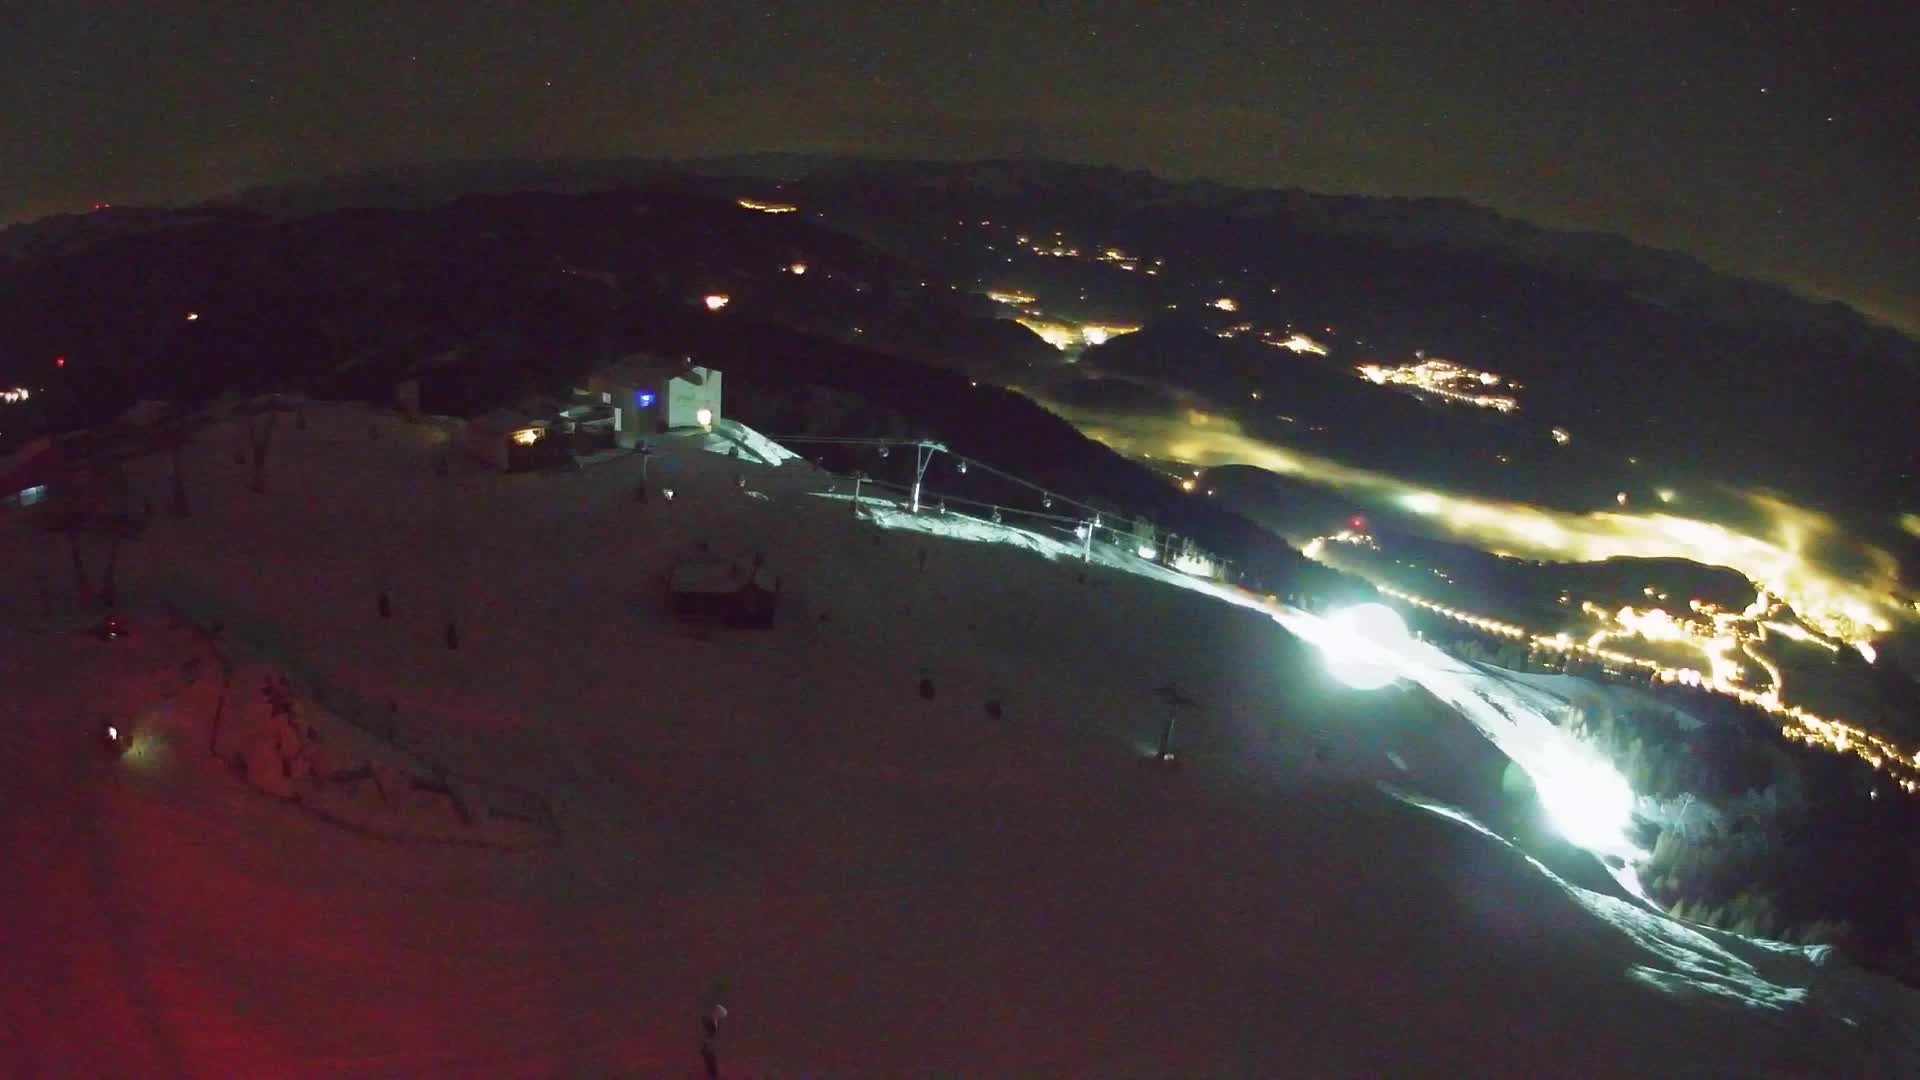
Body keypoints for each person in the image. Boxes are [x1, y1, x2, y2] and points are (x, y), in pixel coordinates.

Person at [700, 1004, 727, 1078]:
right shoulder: (709, 1020)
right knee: (711, 1066)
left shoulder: (715, 1022)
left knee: (712, 1067)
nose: (721, 1017)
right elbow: (705, 1033)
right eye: (721, 1014)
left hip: (709, 1046)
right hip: (708, 1046)